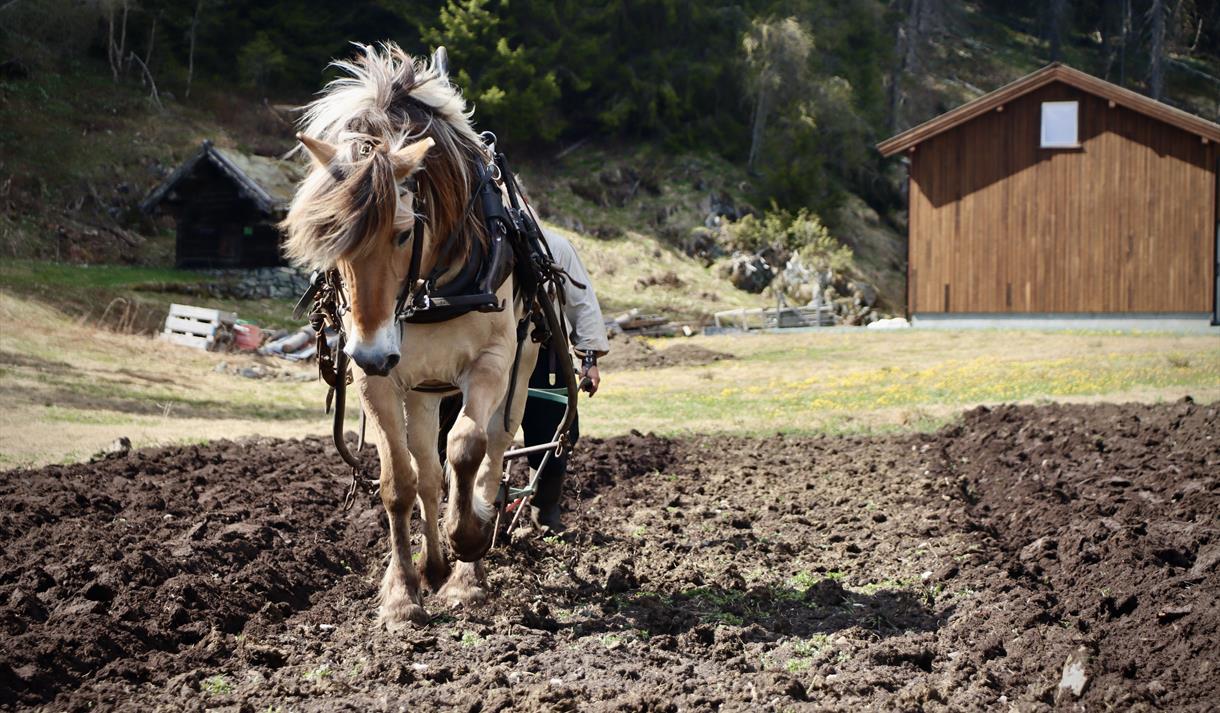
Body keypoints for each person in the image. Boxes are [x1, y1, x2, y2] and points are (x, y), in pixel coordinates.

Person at [523, 229, 609, 532]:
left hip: (545, 356)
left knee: (554, 436)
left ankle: (545, 514)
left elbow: (581, 302)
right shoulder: (469, 242)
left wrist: (588, 359)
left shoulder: (554, 246)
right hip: (486, 361)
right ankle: (482, 512)